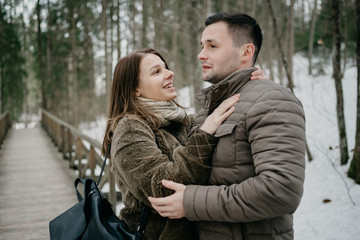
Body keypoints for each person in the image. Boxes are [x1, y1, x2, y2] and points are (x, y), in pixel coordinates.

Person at [148, 13, 306, 240]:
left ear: (246, 52)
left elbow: (280, 190)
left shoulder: (272, 100)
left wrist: (190, 202)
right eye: (202, 46)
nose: (201, 54)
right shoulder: (209, 110)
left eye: (212, 46)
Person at [101, 48, 266, 240]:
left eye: (166, 68)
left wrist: (250, 87)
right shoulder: (130, 129)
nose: (170, 73)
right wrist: (205, 132)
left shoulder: (182, 121)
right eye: (156, 72)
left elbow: (225, 128)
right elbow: (163, 188)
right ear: (134, 90)